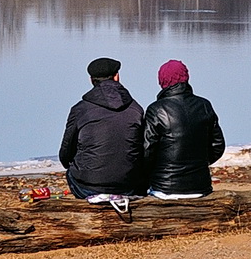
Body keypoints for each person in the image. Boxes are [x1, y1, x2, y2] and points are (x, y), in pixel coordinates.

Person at [59, 57, 144, 200]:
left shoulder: (80, 109)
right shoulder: (135, 109)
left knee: (71, 172)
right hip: (127, 185)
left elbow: (66, 155)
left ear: (91, 80)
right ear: (116, 77)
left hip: (88, 186)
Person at [143, 59, 226, 199]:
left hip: (164, 188)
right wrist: (200, 164)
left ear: (162, 82)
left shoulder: (156, 109)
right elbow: (218, 145)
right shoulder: (204, 105)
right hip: (201, 187)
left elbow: (147, 150)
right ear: (186, 78)